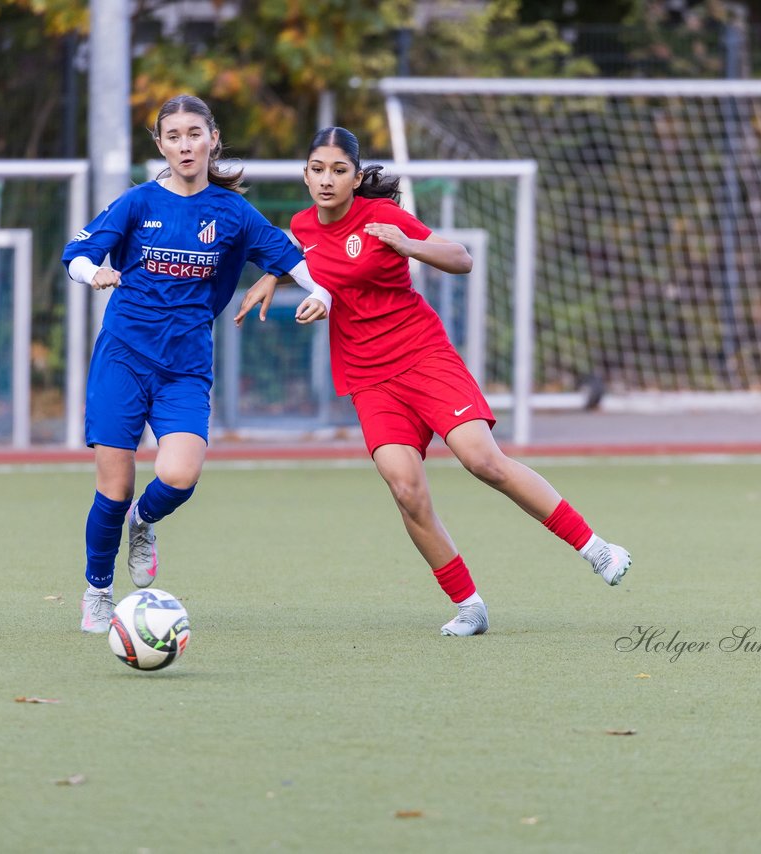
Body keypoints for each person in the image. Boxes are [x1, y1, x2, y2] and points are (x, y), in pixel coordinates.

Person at [237, 127, 632, 637]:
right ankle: (469, 605)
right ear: (306, 175)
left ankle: (595, 548)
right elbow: (302, 251)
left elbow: (461, 259)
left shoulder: (384, 218)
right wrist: (273, 274)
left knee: (483, 461)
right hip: (368, 378)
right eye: (317, 170)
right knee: (406, 490)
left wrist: (408, 245)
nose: (327, 180)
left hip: (423, 356)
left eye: (339, 170)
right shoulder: (302, 226)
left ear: (357, 178)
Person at [63, 94, 332, 634]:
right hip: (123, 356)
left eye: (194, 133)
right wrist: (93, 273)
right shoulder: (138, 203)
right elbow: (78, 253)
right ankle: (97, 592)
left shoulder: (231, 212)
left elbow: (290, 258)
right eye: (173, 136)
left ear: (213, 138)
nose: (184, 144)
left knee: (179, 474)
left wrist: (322, 291)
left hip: (185, 364)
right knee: (112, 487)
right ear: (160, 145)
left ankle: (145, 521)